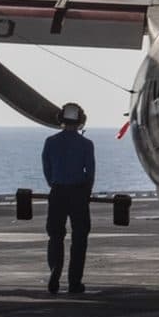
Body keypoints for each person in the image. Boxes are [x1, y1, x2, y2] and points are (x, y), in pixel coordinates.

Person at [42, 102, 95, 294]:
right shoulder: (86, 144)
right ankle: (74, 282)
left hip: (57, 192)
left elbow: (47, 169)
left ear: (60, 119)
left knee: (55, 236)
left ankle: (54, 273)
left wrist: (55, 184)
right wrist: (86, 193)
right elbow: (90, 172)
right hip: (78, 193)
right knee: (79, 238)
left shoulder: (51, 141)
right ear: (81, 121)